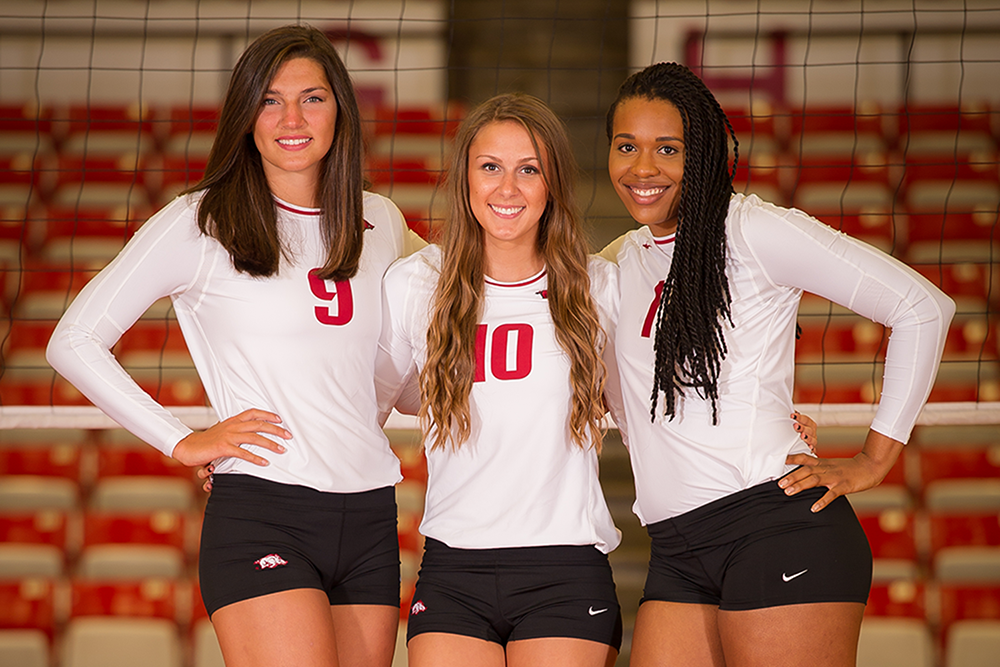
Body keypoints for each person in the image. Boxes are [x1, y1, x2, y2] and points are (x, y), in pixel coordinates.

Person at [47, 25, 422, 667]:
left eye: (313, 97)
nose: (291, 118)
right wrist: (182, 439)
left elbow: (391, 370)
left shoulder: (381, 220)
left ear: (342, 110)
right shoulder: (201, 220)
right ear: (245, 114)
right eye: (270, 100)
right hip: (265, 508)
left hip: (368, 514)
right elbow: (73, 340)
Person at [600, 62, 955, 667]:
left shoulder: (754, 230)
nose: (642, 168)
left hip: (773, 525)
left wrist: (873, 461)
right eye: (626, 146)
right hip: (678, 549)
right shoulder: (619, 261)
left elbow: (922, 307)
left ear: (704, 153)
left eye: (668, 148)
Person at [375, 93, 625, 667]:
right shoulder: (417, 285)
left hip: (564, 568)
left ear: (552, 183)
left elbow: (653, 406)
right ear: (465, 179)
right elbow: (364, 407)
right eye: (490, 167)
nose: (507, 189)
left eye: (528, 169)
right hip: (452, 568)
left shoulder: (600, 287)